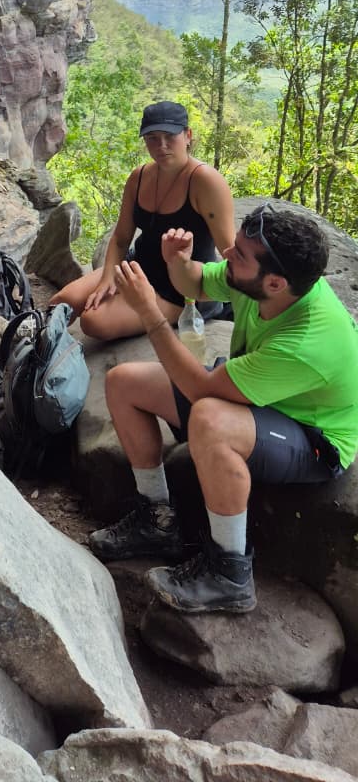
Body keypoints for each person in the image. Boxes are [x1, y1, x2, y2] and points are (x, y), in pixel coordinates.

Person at [88, 203, 358, 614]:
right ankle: (159, 520)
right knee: (123, 383)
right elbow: (195, 283)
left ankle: (229, 574)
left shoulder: (308, 340)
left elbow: (200, 392)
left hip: (311, 435)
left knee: (210, 420)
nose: (228, 251)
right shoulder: (255, 280)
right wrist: (176, 261)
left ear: (275, 283)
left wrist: (148, 312)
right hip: (260, 393)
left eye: (241, 254)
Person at [50, 101, 234, 340]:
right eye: (152, 138)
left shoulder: (205, 181)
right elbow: (121, 238)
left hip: (181, 290)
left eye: (170, 136)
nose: (162, 146)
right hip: (138, 266)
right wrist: (108, 278)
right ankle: (29, 357)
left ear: (188, 135)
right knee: (61, 303)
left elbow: (231, 252)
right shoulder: (139, 177)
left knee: (93, 321)